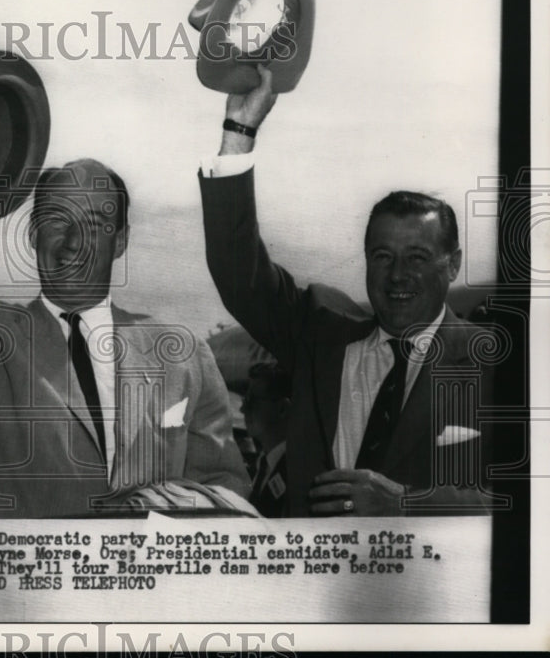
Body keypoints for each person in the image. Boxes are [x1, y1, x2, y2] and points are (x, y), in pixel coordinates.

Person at [0, 127, 252, 517]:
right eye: (56, 221)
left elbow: (225, 485)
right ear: (33, 235)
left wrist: (157, 511)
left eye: (93, 223)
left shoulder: (184, 353)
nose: (73, 242)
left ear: (120, 242)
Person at [200, 65, 493, 516]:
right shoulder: (323, 336)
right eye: (382, 256)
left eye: (417, 257)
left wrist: (406, 504)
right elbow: (239, 271)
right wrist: (240, 130)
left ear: (451, 263)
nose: (397, 275)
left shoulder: (499, 362)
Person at [241, 363, 291, 518]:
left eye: (251, 401)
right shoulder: (257, 467)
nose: (243, 409)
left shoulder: (298, 474)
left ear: (282, 408)